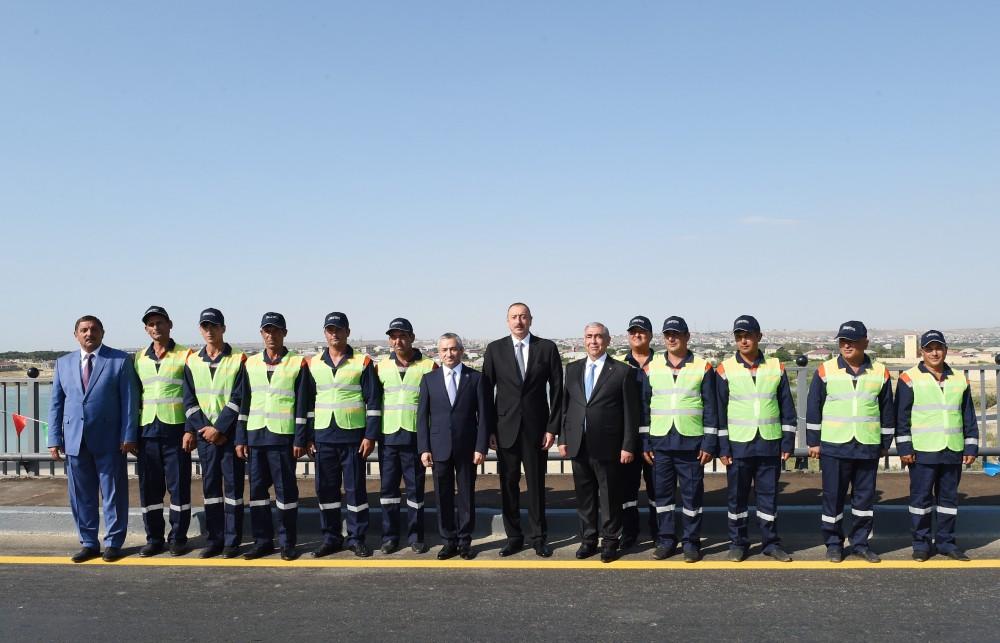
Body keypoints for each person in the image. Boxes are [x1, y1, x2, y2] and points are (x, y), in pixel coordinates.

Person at [48, 315, 138, 563]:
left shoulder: (118, 360)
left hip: (110, 440)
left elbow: (129, 401)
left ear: (103, 333)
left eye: (94, 329)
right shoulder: (63, 363)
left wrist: (129, 435)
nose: (89, 334)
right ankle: (88, 542)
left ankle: (113, 542)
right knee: (80, 494)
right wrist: (54, 438)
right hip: (75, 440)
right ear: (75, 334)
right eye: (84, 330)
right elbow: (56, 403)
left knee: (113, 493)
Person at [807, 320, 894, 563]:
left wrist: (885, 441)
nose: (846, 345)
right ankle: (833, 543)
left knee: (863, 500)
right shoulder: (826, 370)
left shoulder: (880, 371)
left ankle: (860, 543)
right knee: (832, 497)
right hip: (835, 444)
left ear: (865, 342)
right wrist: (813, 441)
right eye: (843, 341)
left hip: (867, 444)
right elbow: (814, 406)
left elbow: (888, 410)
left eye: (852, 341)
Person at [482, 302, 564, 557]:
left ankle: (540, 537)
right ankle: (514, 537)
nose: (519, 321)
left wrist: (552, 428)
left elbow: (558, 390)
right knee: (508, 484)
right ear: (507, 321)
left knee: (537, 485)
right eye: (514, 317)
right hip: (504, 429)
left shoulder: (547, 348)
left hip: (537, 430)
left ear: (531, 319)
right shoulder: (495, 349)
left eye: (523, 317)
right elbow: (486, 392)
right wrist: (489, 430)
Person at [716, 315, 795, 562]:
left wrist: (787, 441)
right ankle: (738, 543)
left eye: (748, 336)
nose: (744, 341)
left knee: (768, 497)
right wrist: (722, 446)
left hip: (769, 443)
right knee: (737, 497)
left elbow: (787, 408)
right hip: (738, 444)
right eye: (739, 337)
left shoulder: (776, 367)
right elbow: (719, 411)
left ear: (759, 337)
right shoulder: (725, 369)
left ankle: (770, 542)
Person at [302, 312, 382, 558]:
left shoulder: (363, 362)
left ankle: (356, 538)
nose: (334, 334)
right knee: (325, 491)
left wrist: (370, 436)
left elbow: (374, 402)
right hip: (323, 437)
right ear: (325, 333)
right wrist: (307, 437)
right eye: (330, 330)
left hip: (353, 438)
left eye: (338, 329)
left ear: (347, 332)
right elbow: (306, 403)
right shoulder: (312, 363)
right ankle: (331, 537)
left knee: (356, 491)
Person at [559, 323, 640, 563]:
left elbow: (630, 413)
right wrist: (563, 439)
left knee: (609, 496)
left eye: (598, 337)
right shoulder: (572, 369)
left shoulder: (622, 371)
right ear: (584, 340)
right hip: (578, 443)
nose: (593, 341)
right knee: (584, 497)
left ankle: (610, 541)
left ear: (608, 341)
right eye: (589, 336)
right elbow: (566, 408)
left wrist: (628, 445)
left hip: (609, 446)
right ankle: (588, 540)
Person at [895, 330, 979, 561]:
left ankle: (946, 542)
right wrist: (905, 448)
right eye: (930, 348)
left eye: (938, 348)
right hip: (922, 450)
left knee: (948, 501)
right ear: (922, 351)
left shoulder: (959, 379)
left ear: (946, 349)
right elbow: (901, 417)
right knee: (921, 500)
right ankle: (921, 544)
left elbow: (968, 416)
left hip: (952, 449)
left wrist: (971, 447)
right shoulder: (909, 378)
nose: (935, 352)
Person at [643, 316, 717, 563]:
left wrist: (709, 442)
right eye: (667, 335)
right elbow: (644, 407)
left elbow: (710, 408)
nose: (672, 339)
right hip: (661, 443)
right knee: (662, 497)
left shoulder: (702, 366)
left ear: (687, 337)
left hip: (691, 443)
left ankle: (691, 542)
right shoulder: (651, 366)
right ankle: (666, 540)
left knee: (692, 497)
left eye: (676, 334)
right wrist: (645, 441)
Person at [236, 312, 309, 561]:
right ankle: (263, 541)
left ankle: (288, 542)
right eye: (267, 330)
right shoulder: (250, 364)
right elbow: (244, 403)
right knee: (257, 493)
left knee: (286, 493)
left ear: (284, 333)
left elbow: (302, 404)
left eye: (276, 330)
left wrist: (300, 438)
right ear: (261, 333)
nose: (271, 335)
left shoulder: (297, 363)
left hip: (282, 438)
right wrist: (240, 438)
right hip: (255, 436)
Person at [417, 333, 491, 560]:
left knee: (466, 495)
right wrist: (424, 448)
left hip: (468, 448)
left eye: (453, 349)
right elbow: (422, 418)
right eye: (444, 350)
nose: (449, 354)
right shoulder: (429, 379)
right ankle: (448, 540)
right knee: (443, 495)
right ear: (438, 353)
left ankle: (465, 541)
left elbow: (484, 417)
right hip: (438, 447)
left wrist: (481, 447)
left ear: (461, 351)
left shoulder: (476, 378)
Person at [181, 308, 248, 558]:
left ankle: (232, 541)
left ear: (223, 328)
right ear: (200, 329)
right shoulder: (192, 362)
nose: (210, 331)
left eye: (214, 326)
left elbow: (239, 398)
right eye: (205, 326)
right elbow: (188, 400)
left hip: (228, 436)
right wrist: (204, 429)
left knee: (233, 490)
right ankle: (215, 539)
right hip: (205, 437)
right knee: (210, 490)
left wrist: (219, 428)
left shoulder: (239, 360)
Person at [134, 306, 194, 557]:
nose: (156, 327)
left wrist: (190, 430)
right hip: (147, 432)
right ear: (146, 329)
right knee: (150, 489)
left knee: (179, 488)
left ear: (170, 325)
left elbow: (193, 395)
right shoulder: (138, 358)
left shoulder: (186, 355)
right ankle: (154, 537)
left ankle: (178, 537)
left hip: (176, 431)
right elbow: (134, 398)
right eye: (151, 324)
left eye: (160, 323)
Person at [376, 318, 436, 554]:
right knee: (388, 492)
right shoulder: (380, 366)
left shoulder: (428, 366)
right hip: (388, 437)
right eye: (393, 336)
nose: (397, 341)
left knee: (415, 492)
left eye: (402, 336)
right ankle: (389, 537)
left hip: (414, 438)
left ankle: (415, 536)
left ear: (412, 337)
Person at [618, 315, 657, 550]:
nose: (637, 335)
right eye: (633, 331)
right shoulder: (619, 366)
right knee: (627, 491)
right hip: (628, 439)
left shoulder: (662, 364)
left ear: (651, 335)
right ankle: (629, 532)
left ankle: (658, 531)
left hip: (656, 438)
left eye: (641, 331)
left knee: (657, 490)